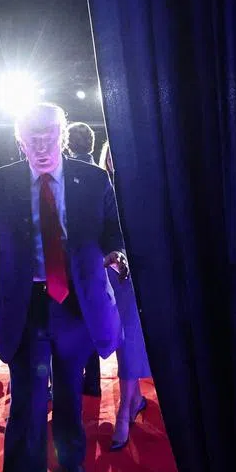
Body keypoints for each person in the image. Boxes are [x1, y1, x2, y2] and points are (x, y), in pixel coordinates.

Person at [0, 103, 129, 472]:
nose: (41, 146)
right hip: (25, 307)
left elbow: (114, 233)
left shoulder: (94, 181)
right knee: (25, 407)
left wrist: (116, 255)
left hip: (77, 306)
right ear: (19, 140)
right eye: (31, 137)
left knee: (70, 391)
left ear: (62, 136)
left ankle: (71, 460)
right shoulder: (1, 182)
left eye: (48, 136)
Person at [99, 141, 152, 450]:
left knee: (131, 339)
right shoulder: (102, 190)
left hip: (141, 272)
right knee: (124, 340)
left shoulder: (146, 189)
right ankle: (131, 402)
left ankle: (125, 409)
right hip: (112, 273)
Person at [66, 122, 104, 396]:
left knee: (66, 322)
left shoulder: (62, 173)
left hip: (65, 261)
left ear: (68, 143)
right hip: (95, 260)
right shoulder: (101, 175)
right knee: (92, 319)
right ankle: (92, 381)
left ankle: (68, 381)